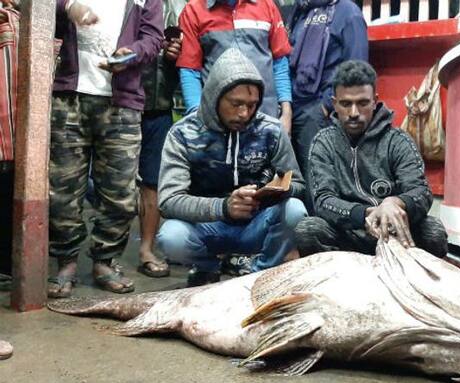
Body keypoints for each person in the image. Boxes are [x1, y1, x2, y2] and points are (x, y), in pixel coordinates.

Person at [157, 48, 307, 287]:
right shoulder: (183, 134)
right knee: (171, 236)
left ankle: (260, 274)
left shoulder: (271, 130)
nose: (244, 113)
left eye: (252, 104)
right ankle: (207, 268)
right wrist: (224, 207)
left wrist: (267, 191)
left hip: (255, 222)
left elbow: (298, 184)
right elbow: (168, 201)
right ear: (215, 96)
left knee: (295, 210)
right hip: (207, 226)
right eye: (235, 103)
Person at [48, 0, 163, 298]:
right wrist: (66, 6)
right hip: (68, 97)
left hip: (121, 103)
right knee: (61, 188)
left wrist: (133, 54)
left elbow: (153, 38)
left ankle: (105, 261)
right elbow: (33, 6)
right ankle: (66, 261)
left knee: (120, 193)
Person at [295, 60, 448, 258]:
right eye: (345, 104)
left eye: (362, 103)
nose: (353, 113)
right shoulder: (324, 142)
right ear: (334, 103)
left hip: (394, 234)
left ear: (375, 101)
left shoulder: (398, 141)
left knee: (433, 231)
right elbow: (323, 201)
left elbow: (421, 192)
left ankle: (410, 284)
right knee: (308, 230)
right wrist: (366, 214)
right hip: (348, 236)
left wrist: (395, 203)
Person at [288, 0, 367, 212]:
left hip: (319, 111)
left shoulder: (348, 12)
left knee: (319, 186)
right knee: (295, 185)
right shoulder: (301, 11)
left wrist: (326, 105)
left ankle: (320, 241)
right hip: (293, 109)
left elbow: (357, 67)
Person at [176, 0, 293, 134]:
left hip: (266, 119)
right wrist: (196, 118)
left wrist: (286, 112)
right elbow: (190, 70)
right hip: (217, 125)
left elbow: (280, 63)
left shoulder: (266, 5)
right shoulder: (194, 10)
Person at [136, 0, 187, 278]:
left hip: (159, 102)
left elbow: (190, 58)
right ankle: (101, 257)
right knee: (109, 183)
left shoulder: (180, 5)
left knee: (153, 180)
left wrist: (174, 54)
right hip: (116, 97)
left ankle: (146, 249)